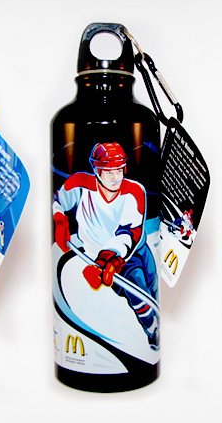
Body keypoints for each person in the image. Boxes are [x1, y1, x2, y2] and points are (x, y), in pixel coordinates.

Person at [53, 142, 159, 348]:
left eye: (119, 170)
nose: (115, 177)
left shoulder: (135, 191)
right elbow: (58, 199)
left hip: (135, 250)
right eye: (109, 172)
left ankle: (156, 320)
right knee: (138, 293)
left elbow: (129, 232)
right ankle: (152, 329)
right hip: (108, 259)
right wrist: (59, 219)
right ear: (96, 170)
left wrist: (109, 259)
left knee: (153, 288)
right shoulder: (80, 184)